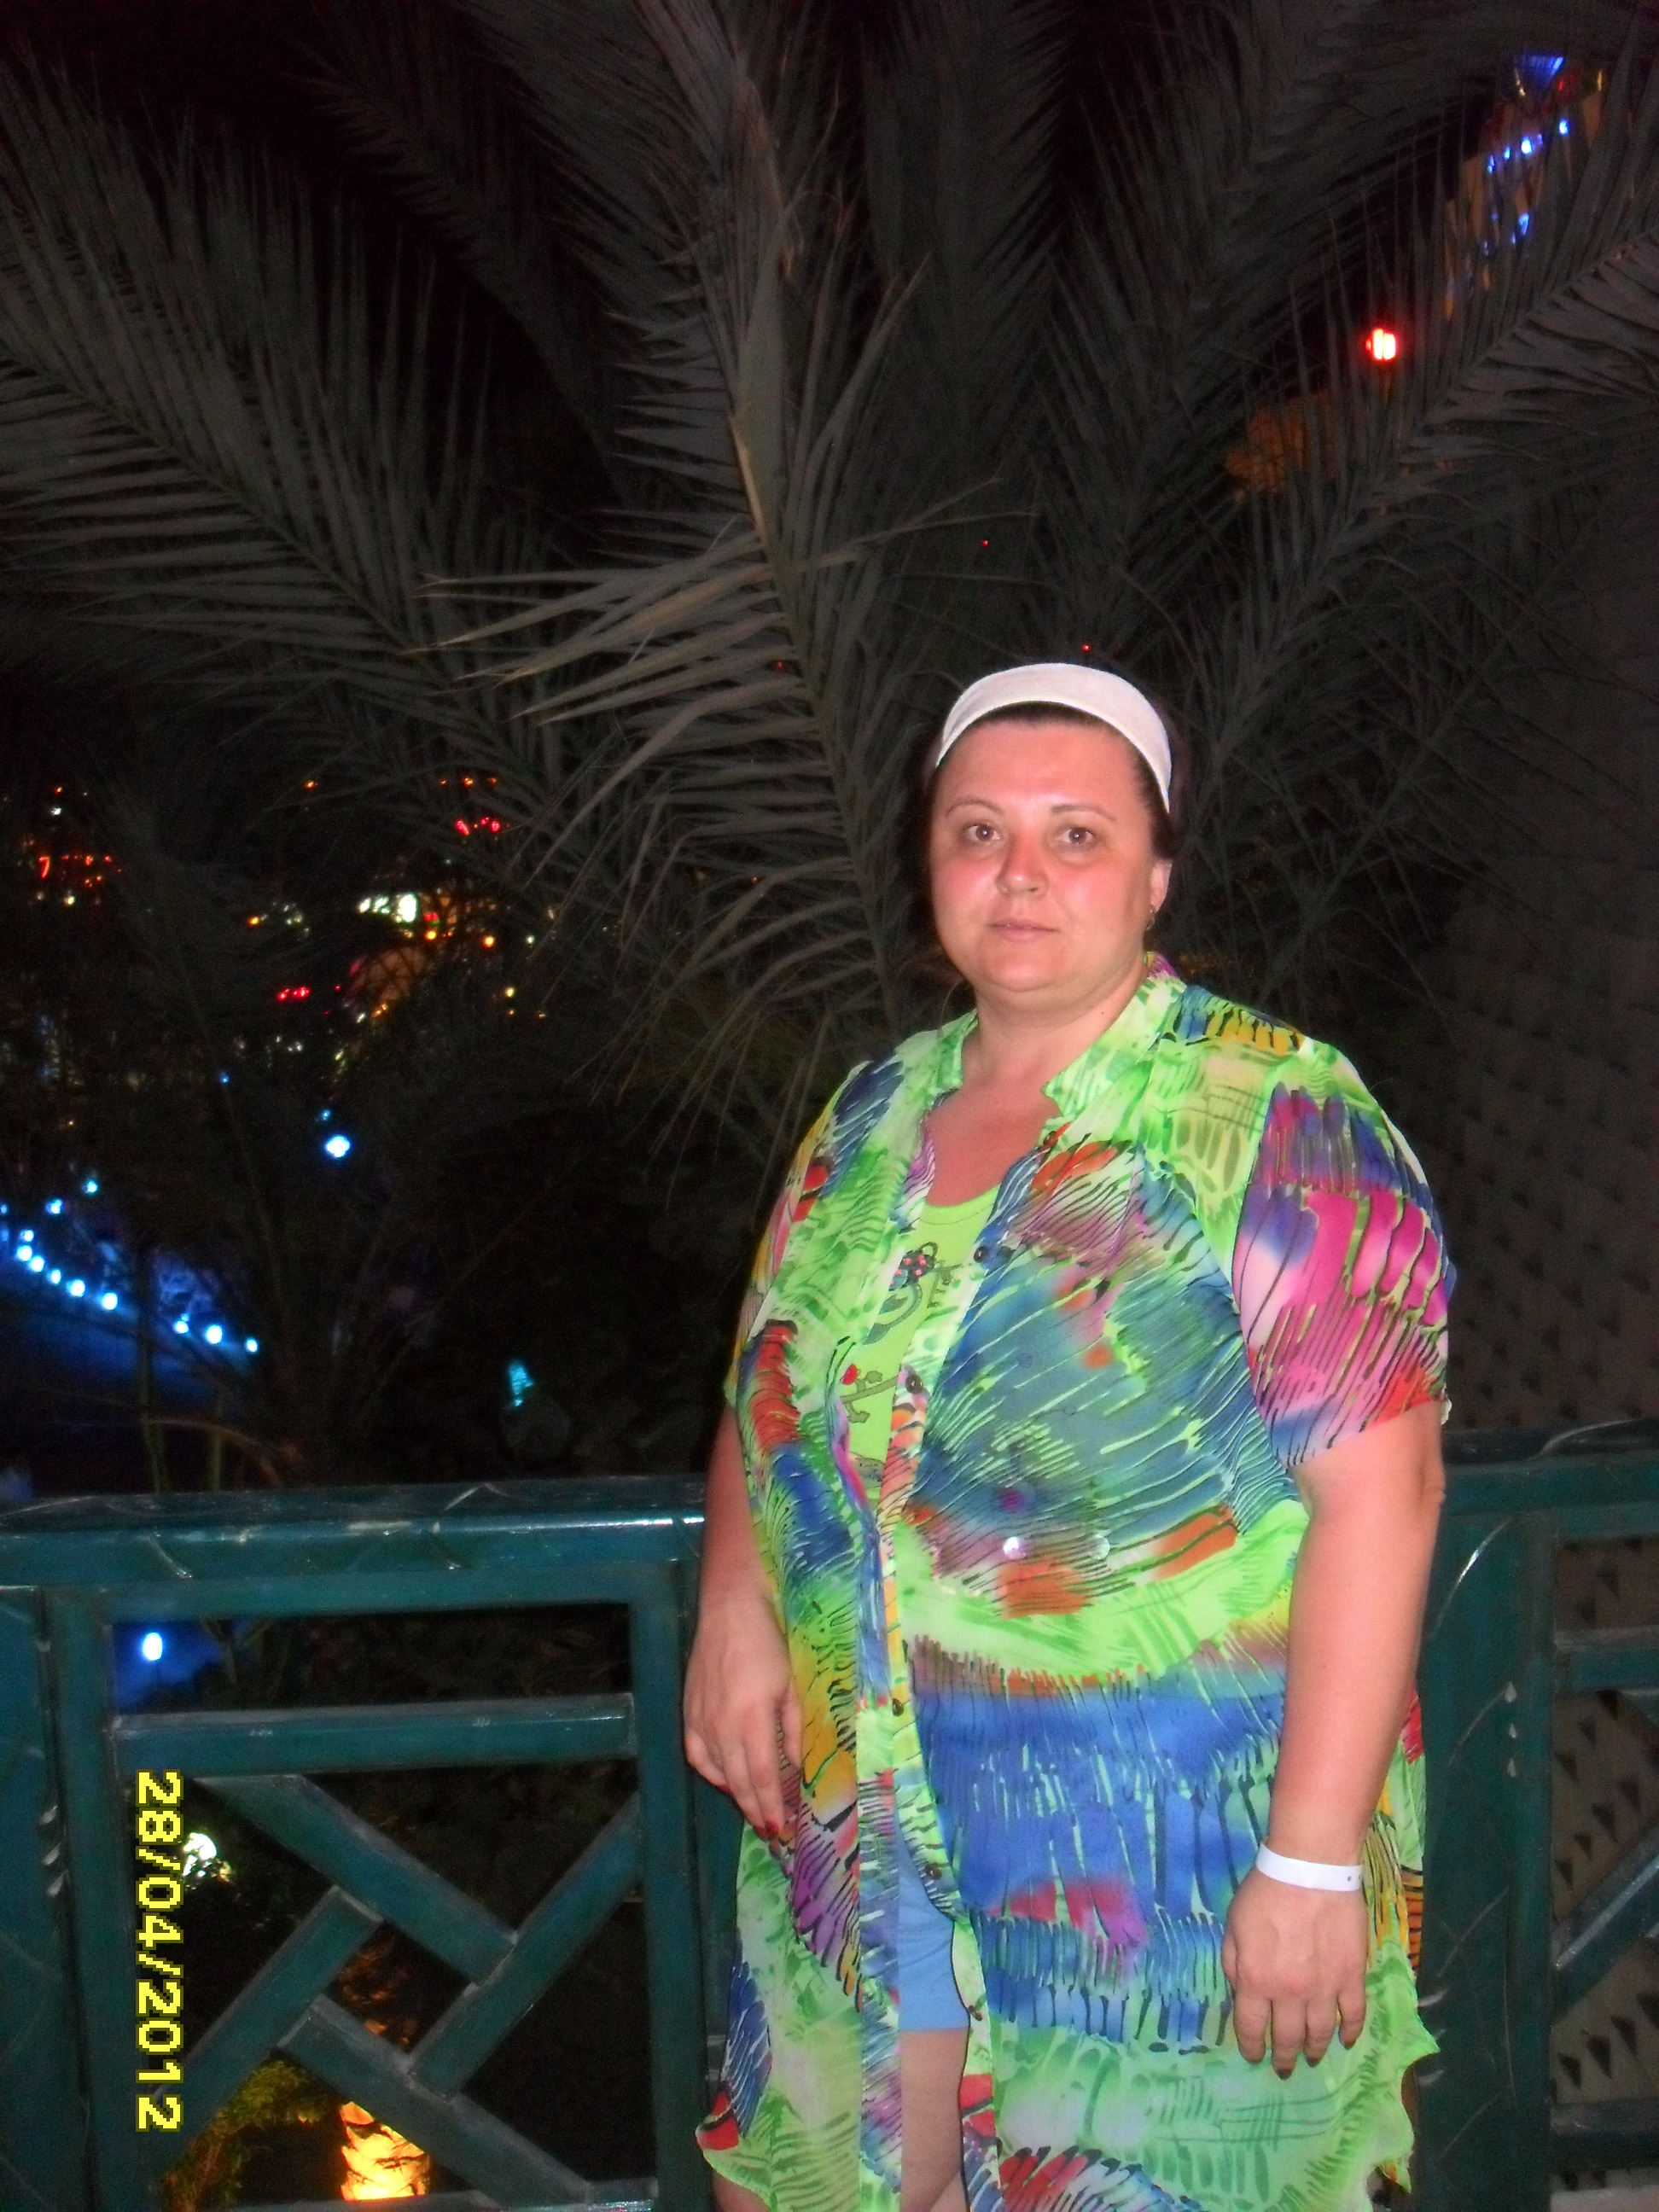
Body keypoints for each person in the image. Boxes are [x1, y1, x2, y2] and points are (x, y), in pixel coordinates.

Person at [684, 663, 1450, 2212]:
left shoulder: (1273, 1110)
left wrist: (1310, 1860)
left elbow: (1388, 1493)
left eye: (1076, 835)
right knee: (841, 2183)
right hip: (866, 1823)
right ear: (931, 866)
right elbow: (768, 1382)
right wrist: (731, 1603)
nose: (1020, 872)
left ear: (1156, 876)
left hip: (1167, 1880)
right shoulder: (872, 1114)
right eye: (978, 831)